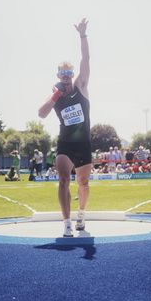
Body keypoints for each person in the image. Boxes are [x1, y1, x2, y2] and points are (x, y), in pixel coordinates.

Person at [38, 18, 91, 237]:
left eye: (70, 75)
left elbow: (85, 59)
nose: (67, 79)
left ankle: (81, 214)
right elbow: (41, 113)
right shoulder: (57, 95)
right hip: (65, 144)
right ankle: (67, 222)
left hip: (84, 143)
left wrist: (82, 35)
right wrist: (55, 95)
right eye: (63, 75)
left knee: (83, 182)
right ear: (58, 77)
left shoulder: (81, 86)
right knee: (62, 180)